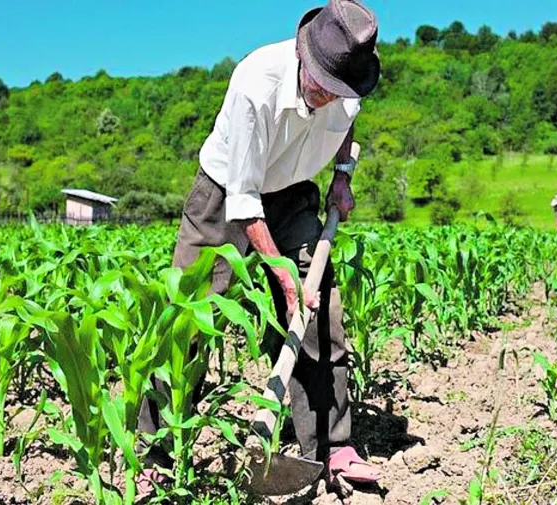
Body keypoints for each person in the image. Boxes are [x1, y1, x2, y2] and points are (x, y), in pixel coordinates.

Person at [136, 0, 382, 494]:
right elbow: (244, 202)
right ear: (300, 53)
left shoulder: (349, 85)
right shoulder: (255, 83)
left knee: (321, 309)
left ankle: (330, 447)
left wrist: (342, 178)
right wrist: (280, 273)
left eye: (337, 91)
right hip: (226, 191)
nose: (325, 98)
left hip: (294, 192)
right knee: (190, 314)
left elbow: (348, 125)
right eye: (319, 85)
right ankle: (155, 447)